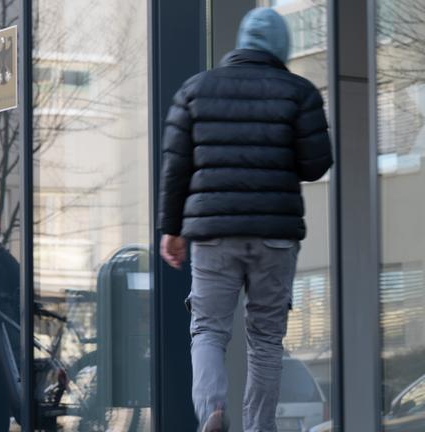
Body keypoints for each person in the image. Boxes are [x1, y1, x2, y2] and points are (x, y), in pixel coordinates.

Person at [158, 7, 333, 432]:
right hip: (275, 234)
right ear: (281, 48)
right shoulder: (300, 92)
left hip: (214, 234)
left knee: (208, 330)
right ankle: (258, 427)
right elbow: (316, 165)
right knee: (266, 339)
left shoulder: (196, 90)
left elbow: (175, 166)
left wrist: (171, 229)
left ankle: (213, 412)